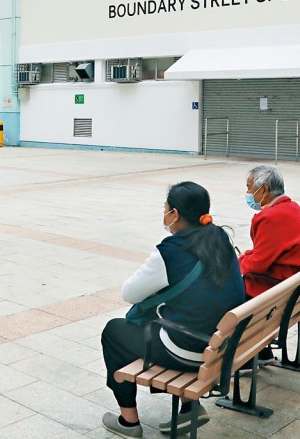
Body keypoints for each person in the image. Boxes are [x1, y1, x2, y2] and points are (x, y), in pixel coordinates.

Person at [101, 182, 246, 438]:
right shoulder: (220, 237)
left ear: (175, 214)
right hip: (225, 344)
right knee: (190, 313)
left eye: (166, 209)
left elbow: (129, 294)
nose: (165, 214)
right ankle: (189, 407)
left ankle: (129, 421)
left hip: (191, 351)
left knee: (114, 331)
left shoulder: (169, 251)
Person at [239, 165, 300, 299]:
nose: (248, 192)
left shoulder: (270, 217)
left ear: (264, 190)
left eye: (249, 187)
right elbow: (268, 251)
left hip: (286, 290)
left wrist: (240, 261)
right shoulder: (292, 207)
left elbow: (257, 265)